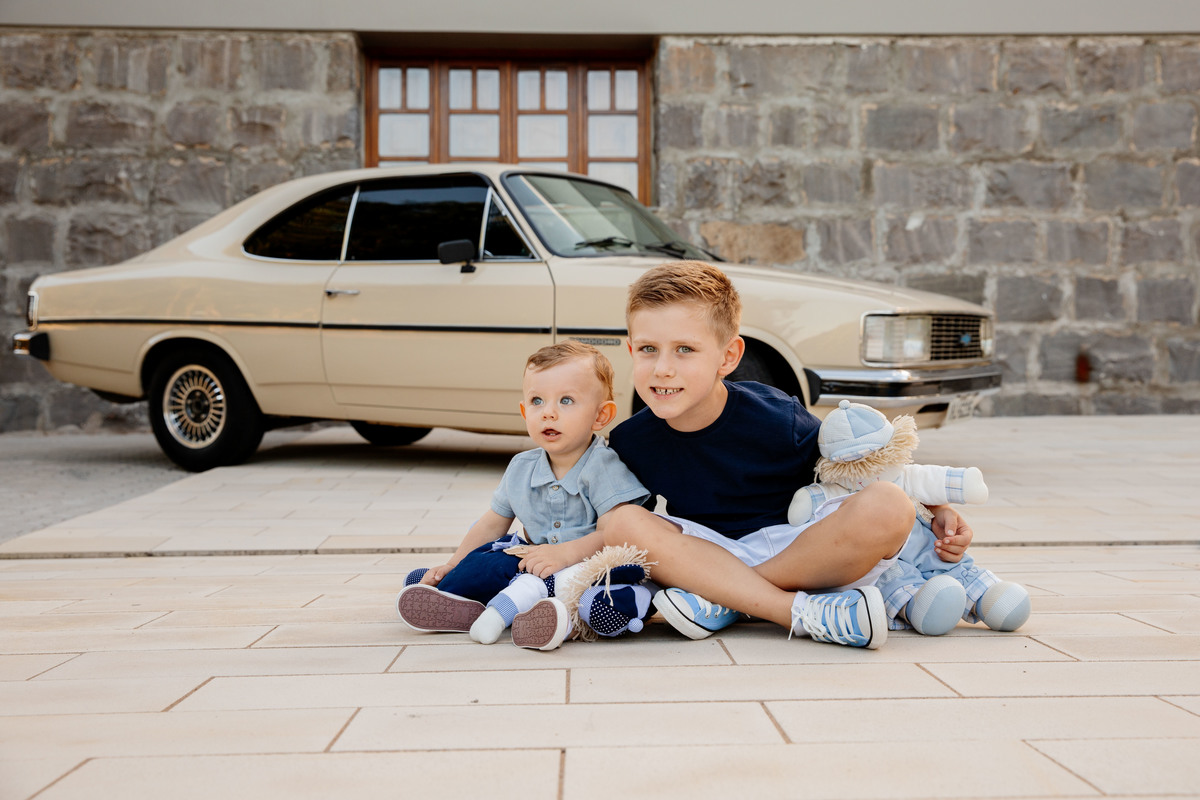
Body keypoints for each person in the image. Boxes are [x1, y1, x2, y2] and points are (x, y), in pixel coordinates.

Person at [599, 260, 977, 649]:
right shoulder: (631, 441)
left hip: (800, 551)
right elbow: (614, 527)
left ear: (728, 357)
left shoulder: (777, 417)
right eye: (648, 349)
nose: (662, 369)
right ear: (630, 350)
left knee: (889, 505)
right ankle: (793, 611)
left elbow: (861, 467)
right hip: (707, 553)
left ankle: (726, 600)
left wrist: (936, 509)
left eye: (684, 350)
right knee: (620, 522)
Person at [395, 341, 652, 650]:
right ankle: (456, 596)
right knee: (482, 567)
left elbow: (615, 533)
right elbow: (492, 525)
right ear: (524, 410)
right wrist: (454, 563)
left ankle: (557, 619)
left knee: (597, 595)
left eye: (566, 400)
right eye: (537, 401)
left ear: (601, 416)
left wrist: (565, 554)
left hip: (584, 564)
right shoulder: (521, 467)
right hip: (528, 560)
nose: (549, 413)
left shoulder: (603, 467)